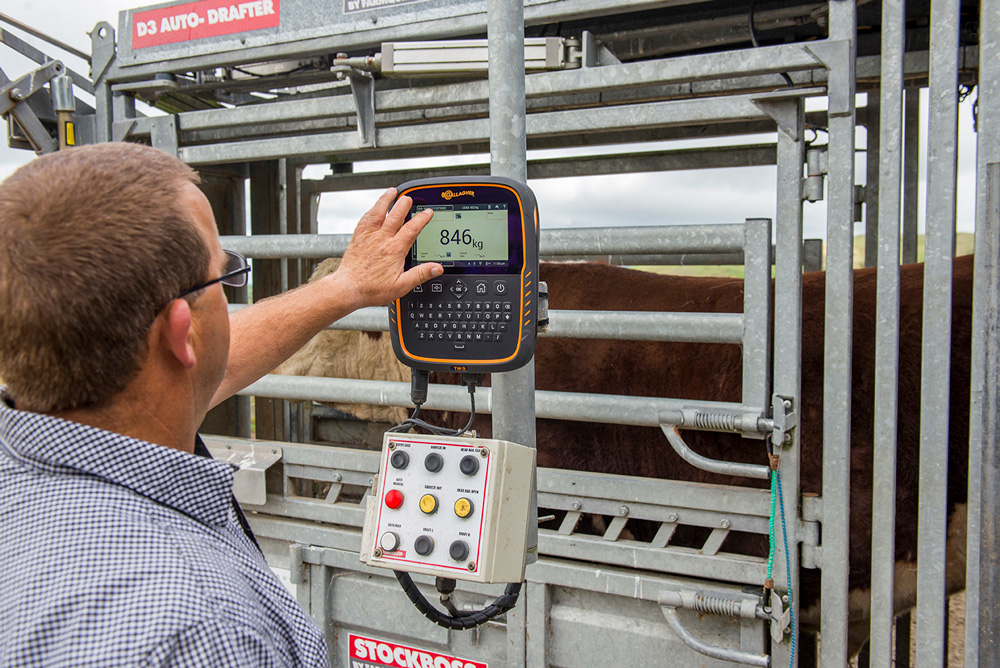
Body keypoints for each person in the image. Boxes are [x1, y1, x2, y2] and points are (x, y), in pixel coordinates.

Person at [0, 142, 441, 667]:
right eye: (227, 275)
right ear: (182, 335)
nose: (232, 304)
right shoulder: (207, 630)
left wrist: (344, 287)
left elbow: (206, 359)